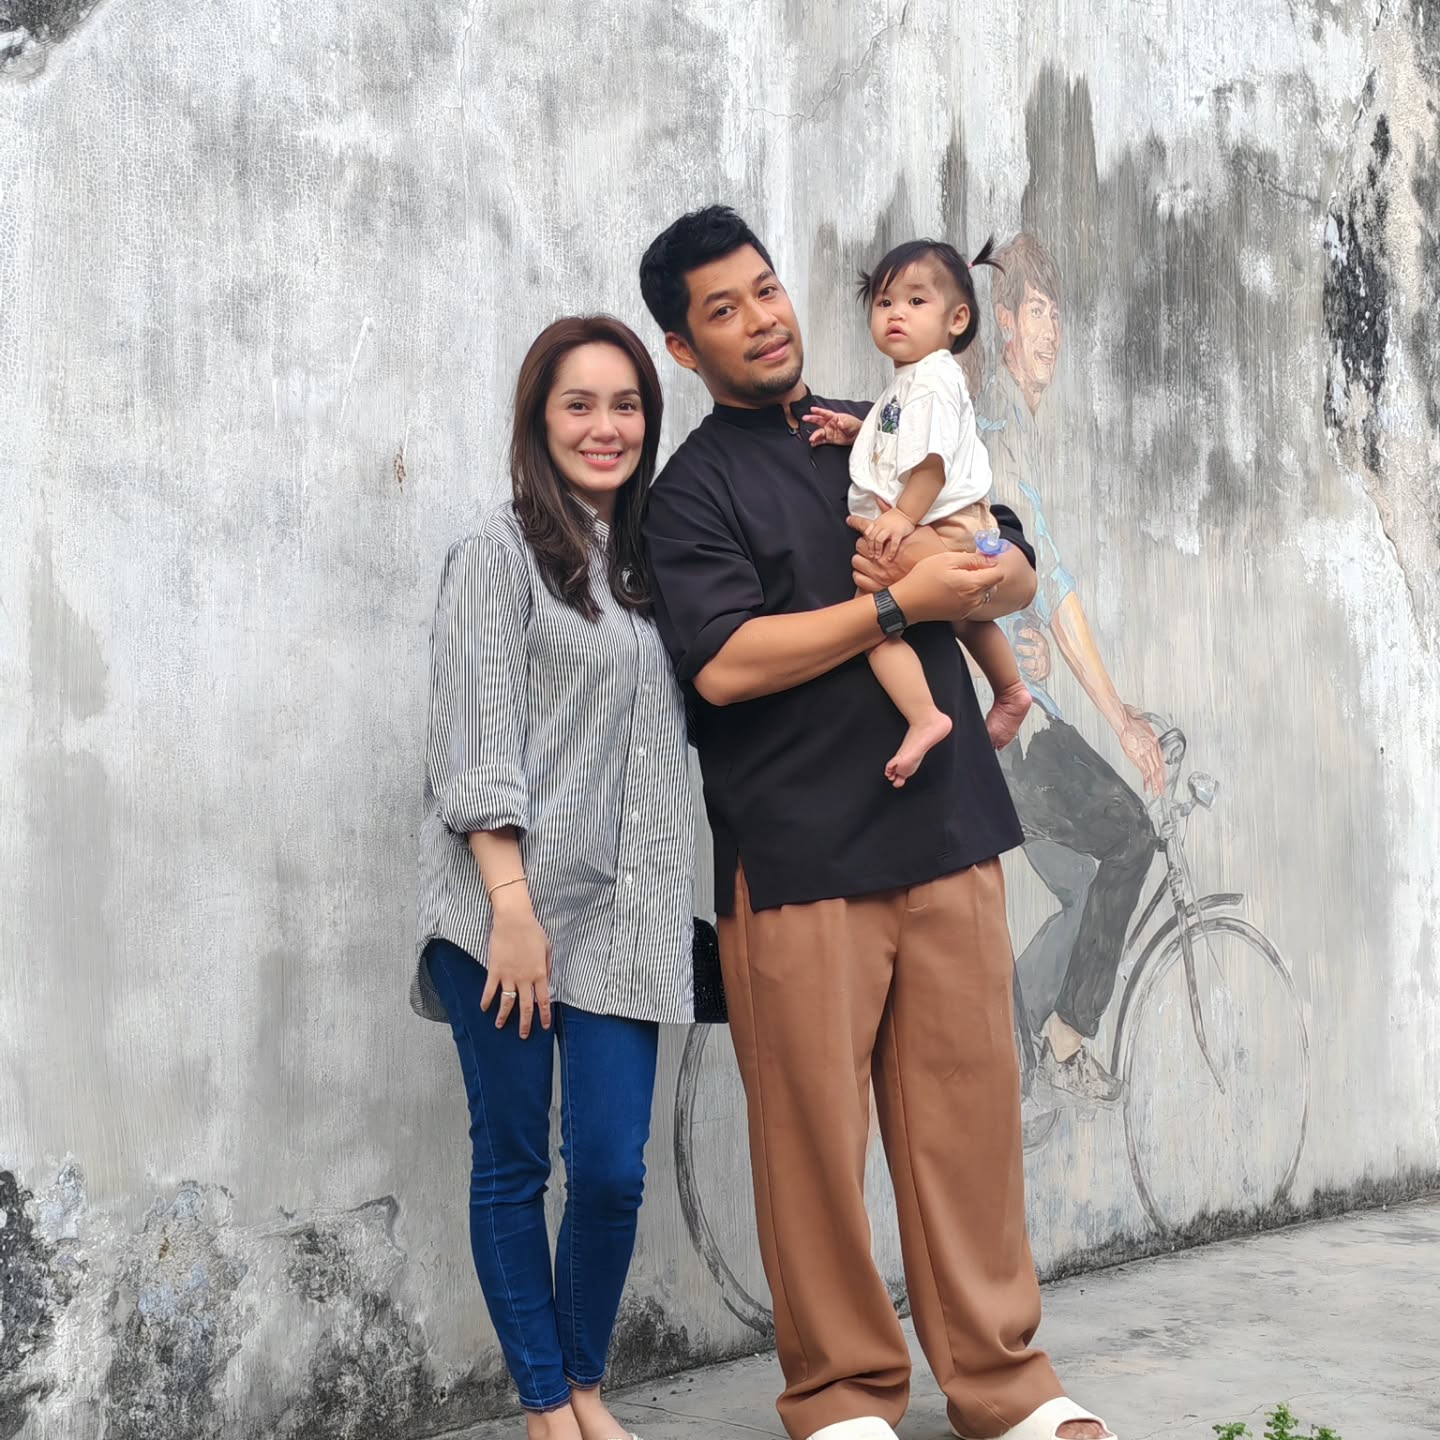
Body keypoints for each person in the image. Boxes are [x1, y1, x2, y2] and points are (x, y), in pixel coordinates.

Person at [639, 205, 1115, 1440]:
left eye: (765, 290)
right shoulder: (689, 495)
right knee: (812, 1149)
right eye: (724, 310)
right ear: (686, 349)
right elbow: (726, 665)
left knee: (970, 1127)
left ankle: (1005, 1385)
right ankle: (843, 1395)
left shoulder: (891, 418)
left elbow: (1007, 555)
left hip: (950, 833)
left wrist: (980, 576)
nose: (762, 319)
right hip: (797, 857)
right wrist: (902, 605)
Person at [412, 315, 695, 1440]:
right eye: (579, 404)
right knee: (516, 1160)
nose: (604, 426)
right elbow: (474, 740)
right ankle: (546, 1404)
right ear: (540, 419)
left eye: (626, 405)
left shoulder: (651, 565)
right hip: (506, 911)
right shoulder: (496, 553)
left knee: (614, 1169)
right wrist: (511, 907)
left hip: (625, 915)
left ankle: (583, 1382)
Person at [974, 233, 1162, 1105]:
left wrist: (1019, 627)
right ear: (1005, 323)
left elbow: (1018, 583)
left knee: (1083, 884)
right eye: (1037, 312)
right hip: (1010, 733)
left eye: (1059, 314)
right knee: (1131, 838)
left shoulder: (1017, 435)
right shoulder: (998, 434)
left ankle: (1012, 1049)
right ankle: (1058, 1045)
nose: (1052, 332)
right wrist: (1120, 719)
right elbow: (1052, 586)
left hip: (1005, 717)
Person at [804, 237, 1032, 785]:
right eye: (884, 302)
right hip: (960, 521)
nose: (895, 313)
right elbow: (901, 434)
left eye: (915, 301)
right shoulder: (917, 379)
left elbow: (930, 464)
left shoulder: (929, 380)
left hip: (938, 522)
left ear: (958, 319)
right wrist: (858, 432)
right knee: (961, 612)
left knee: (871, 622)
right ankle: (1010, 690)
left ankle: (924, 716)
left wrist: (902, 519)